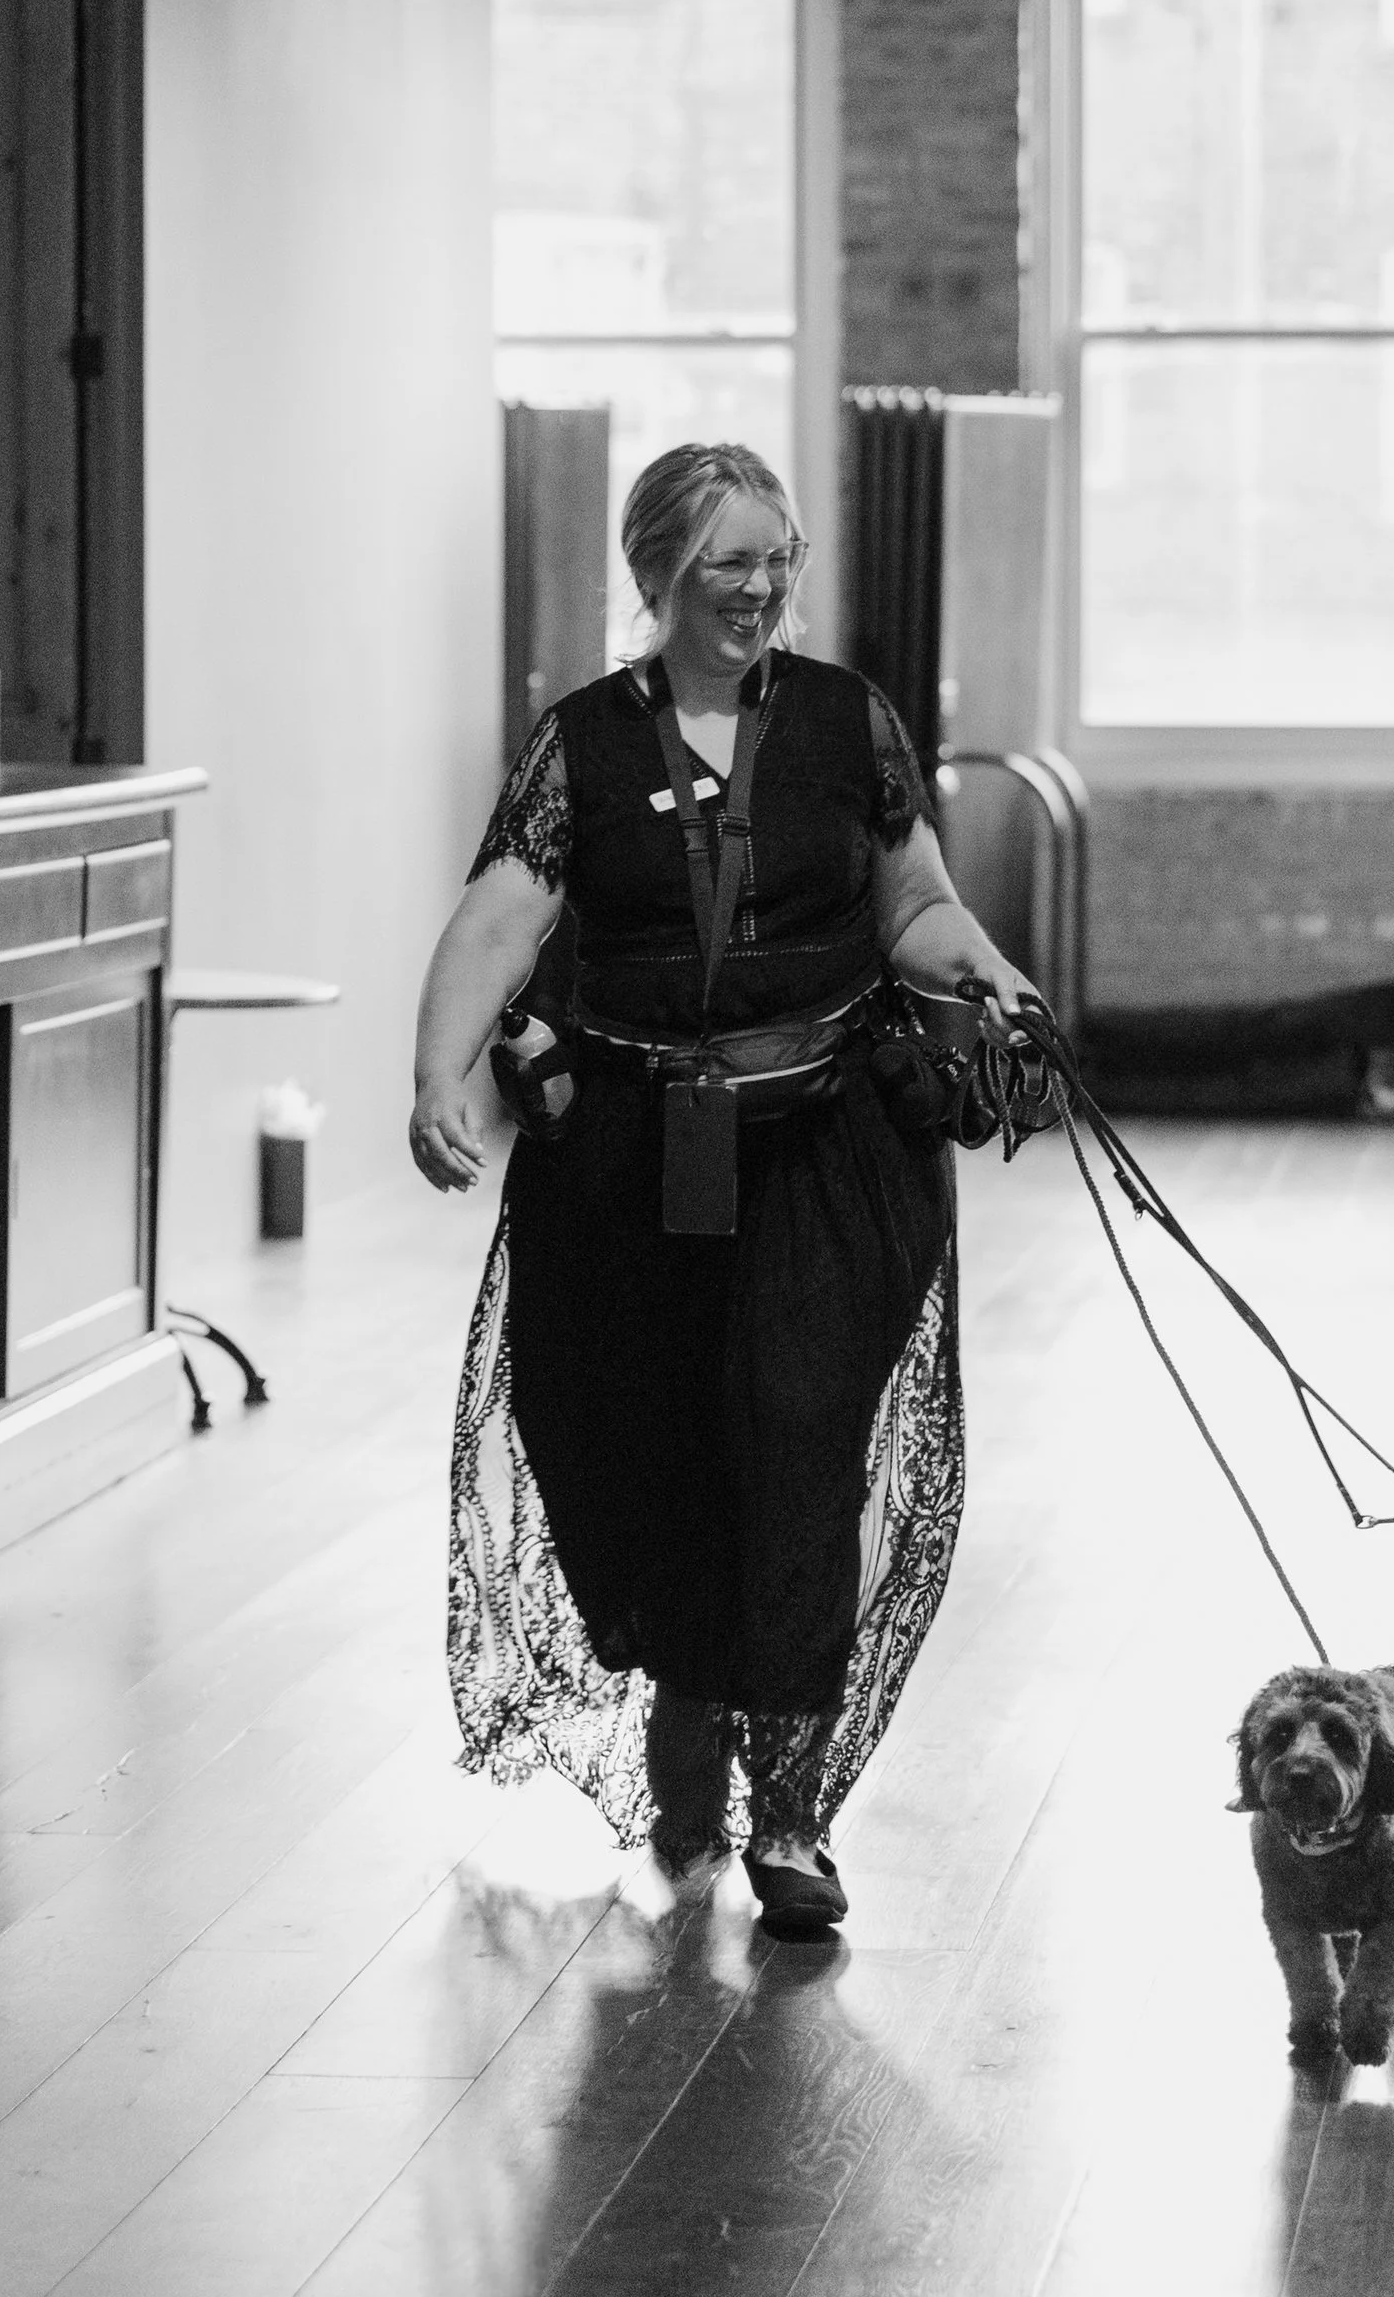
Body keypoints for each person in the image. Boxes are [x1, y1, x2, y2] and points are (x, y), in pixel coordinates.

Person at [410, 440, 1040, 1936]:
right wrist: (437, 1069)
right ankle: (686, 1699)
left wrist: (997, 982)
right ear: (656, 580)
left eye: (779, 559)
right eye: (726, 565)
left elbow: (915, 903)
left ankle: (796, 1808)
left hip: (826, 1146)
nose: (759, 589)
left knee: (797, 1441)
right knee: (636, 1441)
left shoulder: (845, 725)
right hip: (628, 1152)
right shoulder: (581, 744)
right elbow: (503, 912)